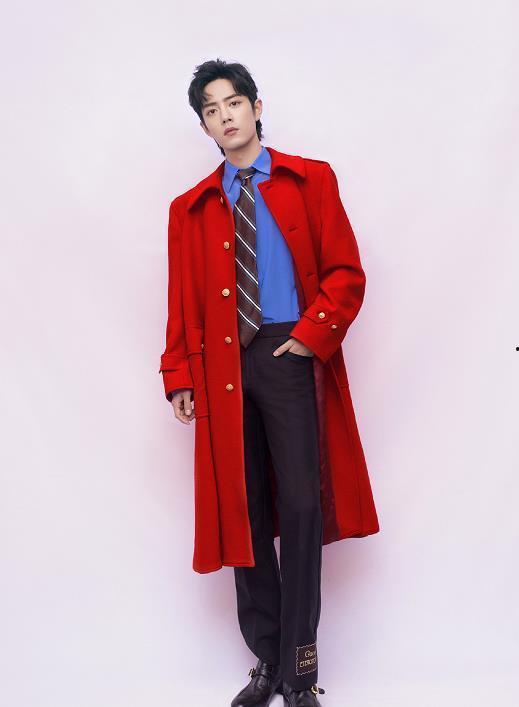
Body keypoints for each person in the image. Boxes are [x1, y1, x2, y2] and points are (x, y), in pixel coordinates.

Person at [159, 58, 380, 707]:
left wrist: (308, 337)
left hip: (288, 351)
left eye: (233, 102)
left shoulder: (310, 179)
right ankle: (266, 661)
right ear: (204, 126)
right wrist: (179, 373)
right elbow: (180, 300)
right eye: (211, 110)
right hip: (221, 367)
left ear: (256, 107)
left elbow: (345, 273)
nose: (224, 116)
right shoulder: (190, 208)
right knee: (245, 510)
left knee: (303, 508)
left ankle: (300, 668)